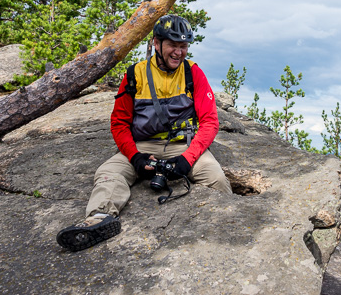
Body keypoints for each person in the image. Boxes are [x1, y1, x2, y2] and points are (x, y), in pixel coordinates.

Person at [57, 14, 232, 251]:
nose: (178, 52)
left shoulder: (193, 73)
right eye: (173, 45)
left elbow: (210, 121)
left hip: (184, 145)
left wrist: (186, 159)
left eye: (183, 46)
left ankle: (228, 221)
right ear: (156, 43)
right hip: (142, 145)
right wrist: (135, 157)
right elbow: (119, 122)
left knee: (216, 178)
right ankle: (99, 220)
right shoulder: (135, 74)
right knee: (109, 173)